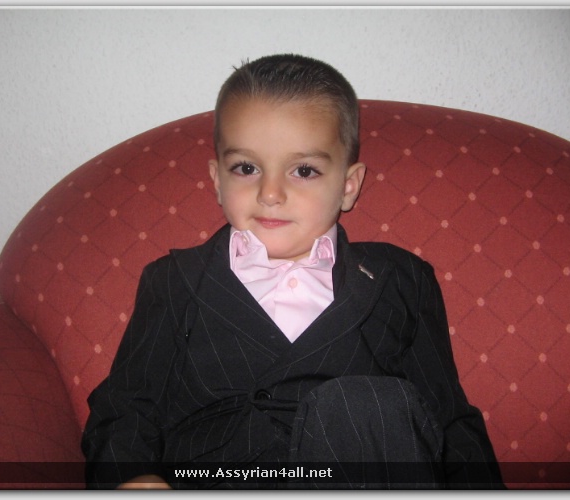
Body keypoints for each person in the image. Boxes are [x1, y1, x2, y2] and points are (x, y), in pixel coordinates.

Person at [81, 53, 503, 489]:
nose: (270, 193)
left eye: (304, 170)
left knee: (367, 404)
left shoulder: (401, 279)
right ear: (217, 180)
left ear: (348, 186)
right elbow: (126, 406)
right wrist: (130, 476)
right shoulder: (173, 281)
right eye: (246, 168)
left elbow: (448, 419)